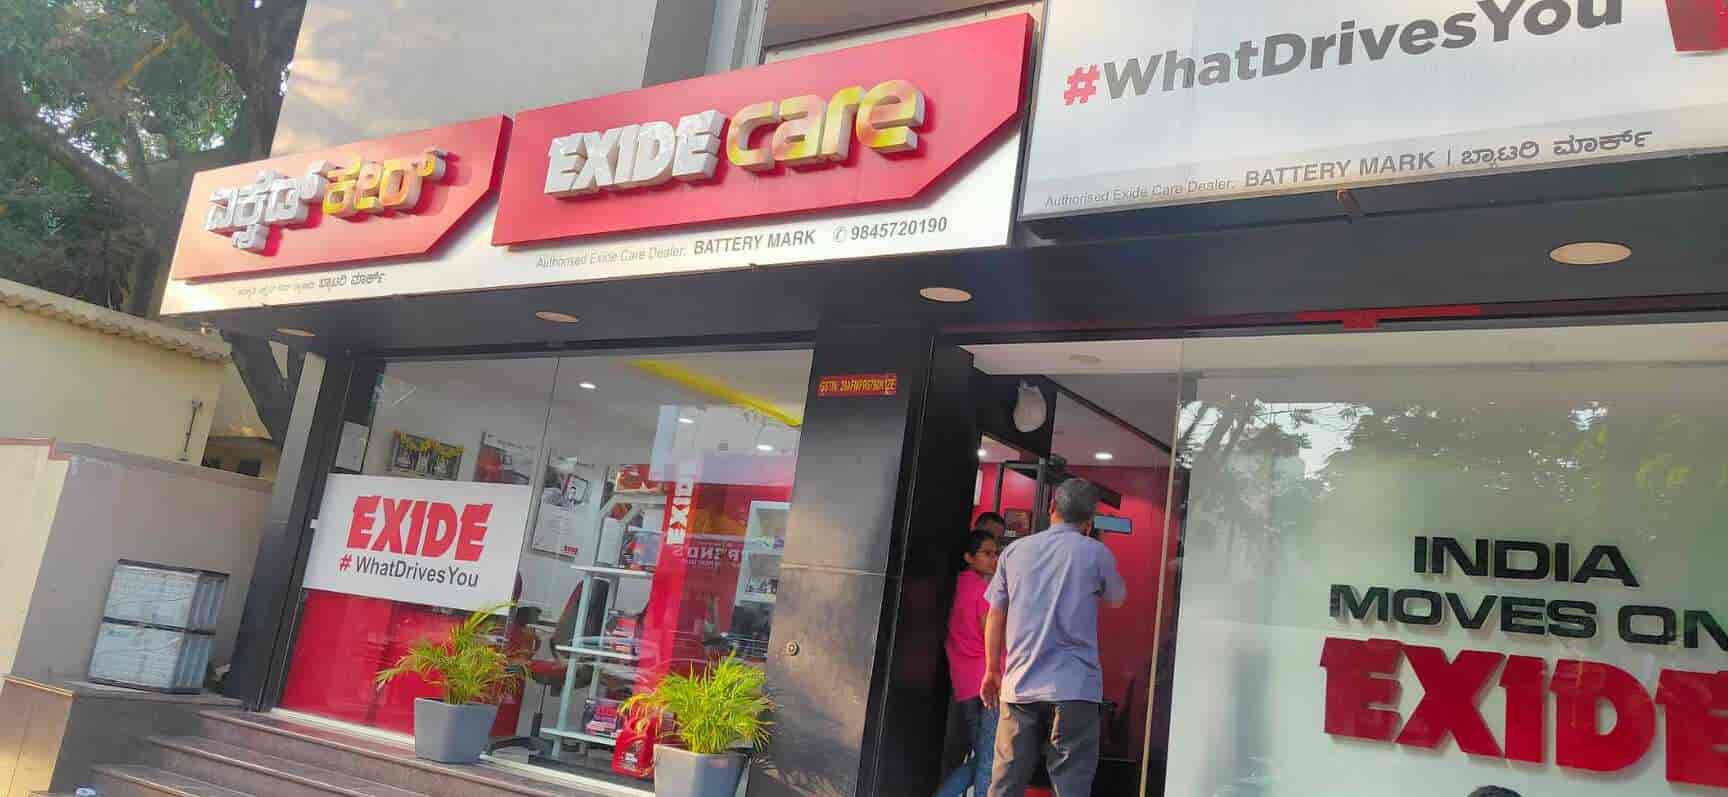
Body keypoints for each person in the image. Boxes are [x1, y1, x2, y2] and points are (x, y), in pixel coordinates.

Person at [982, 478, 1126, 797]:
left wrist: (992, 668)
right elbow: (1117, 597)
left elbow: (996, 614)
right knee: (1072, 783)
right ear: (1089, 520)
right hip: (1076, 687)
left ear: (1051, 508)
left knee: (1005, 783)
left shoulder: (1014, 552)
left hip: (1020, 684)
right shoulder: (1096, 553)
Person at [936, 530, 1002, 797]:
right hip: (989, 683)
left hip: (964, 684)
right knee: (989, 761)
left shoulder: (957, 586)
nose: (994, 559)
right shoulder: (982, 590)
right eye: (987, 553)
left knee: (983, 757)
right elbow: (990, 634)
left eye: (996, 553)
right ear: (968, 557)